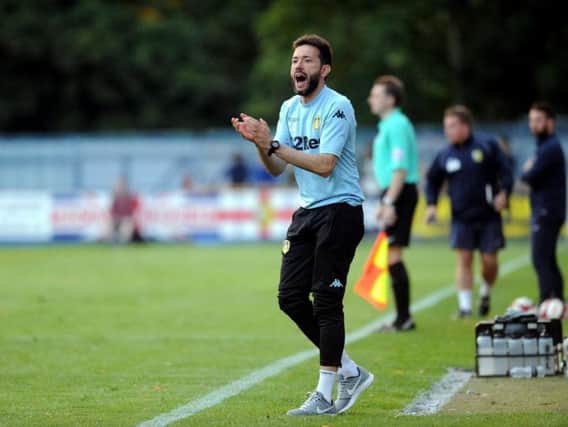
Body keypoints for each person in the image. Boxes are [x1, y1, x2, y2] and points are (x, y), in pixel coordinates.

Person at [231, 34, 373, 416]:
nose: (298, 66)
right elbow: (278, 168)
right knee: (290, 298)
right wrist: (260, 144)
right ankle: (350, 370)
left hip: (341, 210)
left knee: (327, 301)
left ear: (324, 70)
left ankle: (325, 394)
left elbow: (325, 165)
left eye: (308, 60)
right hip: (308, 212)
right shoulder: (289, 108)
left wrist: (273, 145)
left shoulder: (338, 107)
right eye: (295, 60)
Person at [425, 105, 513, 318]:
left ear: (465, 126)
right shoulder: (445, 154)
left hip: (489, 215)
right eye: (446, 127)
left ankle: (485, 291)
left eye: (452, 126)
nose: (448, 131)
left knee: (489, 261)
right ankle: (464, 307)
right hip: (461, 218)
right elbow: (432, 180)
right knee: (464, 260)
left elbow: (506, 172)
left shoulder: (487, 145)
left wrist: (504, 194)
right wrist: (431, 204)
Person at [367, 75, 419, 332]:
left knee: (394, 255)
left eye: (375, 95)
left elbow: (400, 168)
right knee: (392, 255)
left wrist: (389, 201)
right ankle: (402, 317)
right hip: (394, 192)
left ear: (390, 99)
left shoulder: (397, 124)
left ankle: (403, 319)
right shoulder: (389, 125)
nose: (370, 100)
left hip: (400, 192)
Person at [521, 102, 566, 304]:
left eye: (538, 120)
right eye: (531, 120)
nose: (534, 125)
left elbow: (529, 176)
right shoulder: (544, 146)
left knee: (540, 258)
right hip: (548, 209)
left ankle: (547, 301)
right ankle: (557, 300)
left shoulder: (550, 147)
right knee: (547, 258)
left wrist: (528, 169)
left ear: (550, 122)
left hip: (547, 210)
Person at [108, 176, 143, 243]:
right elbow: (112, 213)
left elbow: (136, 213)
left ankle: (122, 242)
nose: (118, 186)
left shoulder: (132, 197)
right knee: (108, 223)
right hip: (117, 220)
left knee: (126, 223)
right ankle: (110, 242)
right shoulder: (115, 198)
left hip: (129, 221)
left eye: (120, 185)